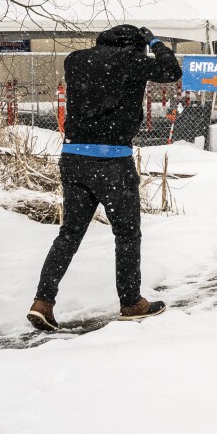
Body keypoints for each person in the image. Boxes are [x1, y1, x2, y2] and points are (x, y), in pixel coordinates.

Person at [27, 24, 182, 331]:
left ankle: (42, 302)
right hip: (112, 161)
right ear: (134, 46)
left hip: (73, 159)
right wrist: (156, 42)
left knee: (69, 233)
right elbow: (170, 70)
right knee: (126, 234)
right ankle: (130, 302)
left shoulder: (75, 60)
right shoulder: (130, 60)